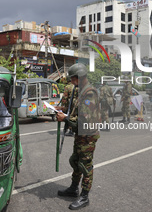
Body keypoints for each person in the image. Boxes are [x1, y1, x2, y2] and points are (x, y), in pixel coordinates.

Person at [56, 63, 100, 210]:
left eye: (73, 79)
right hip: (80, 134)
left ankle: (84, 196)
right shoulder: (80, 90)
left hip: (88, 136)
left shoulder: (89, 93)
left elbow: (86, 119)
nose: (72, 81)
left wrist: (66, 119)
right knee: (75, 161)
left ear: (78, 78)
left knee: (85, 165)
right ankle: (74, 188)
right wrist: (63, 112)